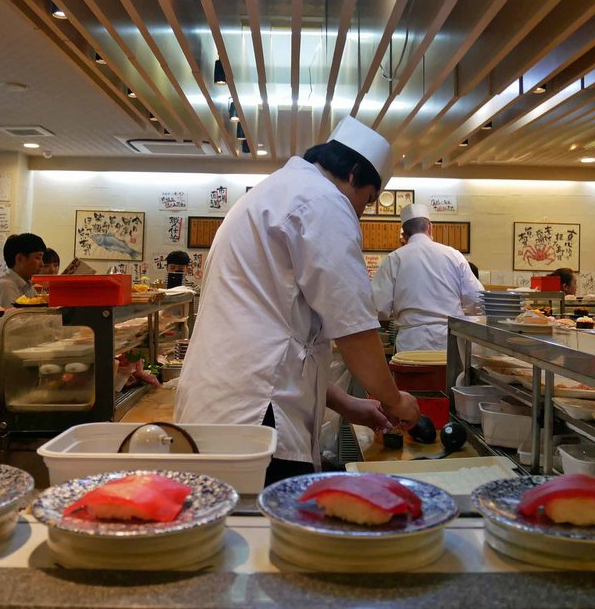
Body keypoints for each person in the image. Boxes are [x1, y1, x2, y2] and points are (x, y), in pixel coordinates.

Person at [175, 116, 419, 484]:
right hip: (256, 420)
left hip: (223, 409)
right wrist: (395, 401)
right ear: (353, 174)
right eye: (367, 200)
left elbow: (285, 343)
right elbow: (355, 329)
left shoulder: (273, 192)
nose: (362, 212)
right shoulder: (325, 201)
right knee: (265, 535)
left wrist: (349, 405)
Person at [372, 203, 484, 352]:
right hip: (448, 340)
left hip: (411, 342)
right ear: (430, 227)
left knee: (415, 375)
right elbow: (478, 300)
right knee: (448, 376)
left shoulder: (394, 259)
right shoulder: (454, 255)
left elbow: (378, 307)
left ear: (404, 236)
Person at [0, 233, 46, 307]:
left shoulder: (27, 285)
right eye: (38, 258)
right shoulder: (5, 286)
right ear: (19, 259)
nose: (42, 264)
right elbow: (17, 317)